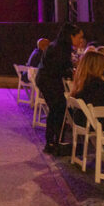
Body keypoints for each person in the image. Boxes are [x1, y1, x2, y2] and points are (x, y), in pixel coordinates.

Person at [36, 23, 85, 155]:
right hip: (49, 81)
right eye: (79, 37)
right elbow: (57, 68)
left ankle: (53, 141)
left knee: (57, 109)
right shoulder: (60, 48)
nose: (80, 41)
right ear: (71, 36)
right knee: (57, 108)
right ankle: (53, 141)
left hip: (48, 80)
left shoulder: (58, 46)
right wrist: (71, 72)